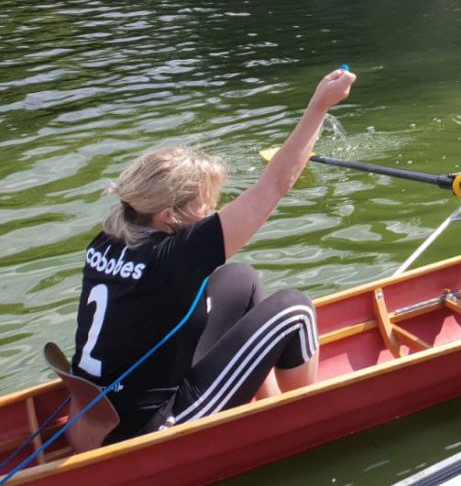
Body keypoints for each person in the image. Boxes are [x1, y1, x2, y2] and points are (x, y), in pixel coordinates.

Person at [71, 67, 354, 443]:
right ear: (169, 216)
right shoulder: (177, 256)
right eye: (206, 206)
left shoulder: (107, 238)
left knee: (240, 279)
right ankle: (305, 426)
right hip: (152, 426)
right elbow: (276, 184)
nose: (213, 213)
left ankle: (268, 406)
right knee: (295, 310)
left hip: (90, 418)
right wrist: (319, 106)